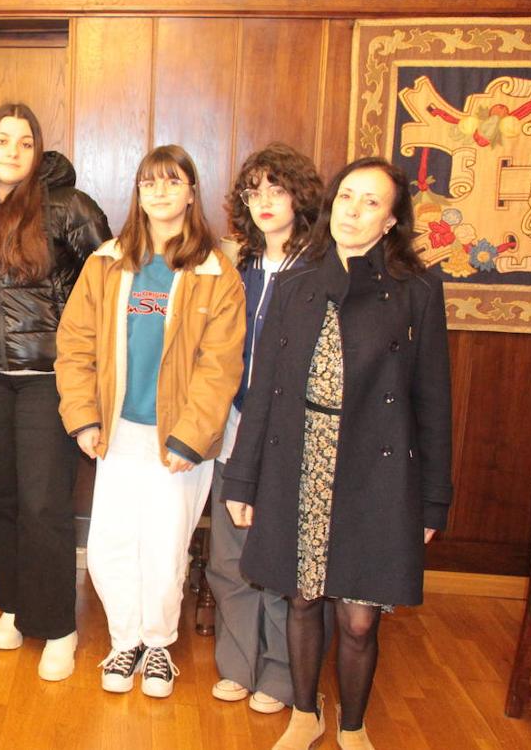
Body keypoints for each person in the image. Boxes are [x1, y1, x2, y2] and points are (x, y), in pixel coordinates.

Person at [222, 158, 453, 750]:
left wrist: (432, 500)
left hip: (373, 474)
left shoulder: (418, 289)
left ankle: (353, 725)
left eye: (370, 201)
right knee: (301, 598)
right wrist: (241, 482)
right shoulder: (298, 280)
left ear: (391, 219)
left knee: (357, 616)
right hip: (298, 462)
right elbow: (266, 390)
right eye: (347, 196)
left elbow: (433, 400)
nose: (353, 209)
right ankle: (306, 712)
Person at [56, 144, 245, 697]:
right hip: (116, 432)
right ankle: (124, 641)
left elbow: (220, 363)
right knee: (113, 540)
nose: (160, 192)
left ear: (191, 191)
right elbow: (75, 345)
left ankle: (158, 645)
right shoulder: (108, 262)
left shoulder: (215, 272)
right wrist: (83, 418)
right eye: (149, 182)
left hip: (178, 438)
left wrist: (191, 437)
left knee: (165, 544)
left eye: (172, 181)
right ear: (138, 193)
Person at [0, 103, 108, 680]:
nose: (12, 151)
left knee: (44, 503)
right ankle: (14, 607)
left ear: (37, 150)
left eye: (24, 142)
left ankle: (58, 624)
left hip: (49, 378)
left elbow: (108, 285)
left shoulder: (68, 206)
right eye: (3, 141)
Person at [207, 143, 325, 714]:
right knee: (229, 557)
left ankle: (281, 675)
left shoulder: (322, 270)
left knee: (281, 561)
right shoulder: (236, 267)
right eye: (254, 193)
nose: (264, 203)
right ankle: (237, 665)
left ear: (300, 196)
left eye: (277, 190)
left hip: (293, 438)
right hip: (233, 426)